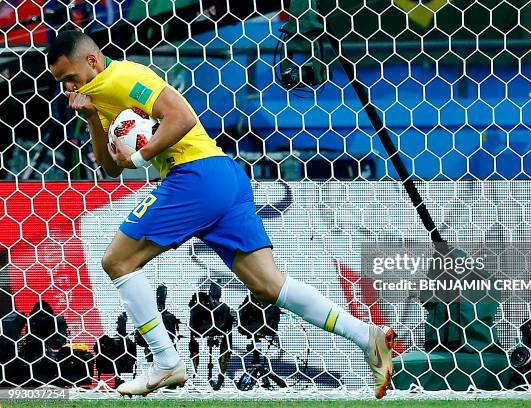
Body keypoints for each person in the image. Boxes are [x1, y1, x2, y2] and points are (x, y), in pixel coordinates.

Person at [47, 30, 396, 399]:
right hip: (223, 176)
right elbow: (109, 168)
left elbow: (180, 117)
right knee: (268, 284)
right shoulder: (97, 96)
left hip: (194, 176)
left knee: (117, 261)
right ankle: (367, 336)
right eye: (61, 83)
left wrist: (139, 157)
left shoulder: (118, 79)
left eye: (70, 77)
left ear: (92, 61)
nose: (68, 87)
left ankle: (166, 362)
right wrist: (90, 120)